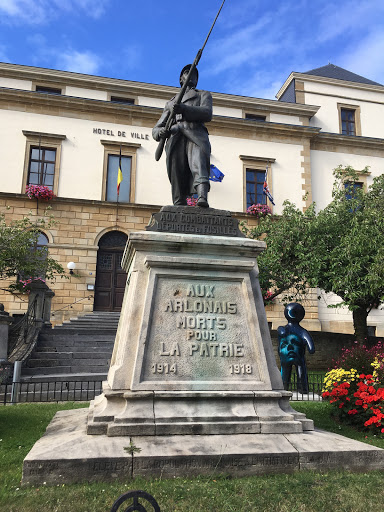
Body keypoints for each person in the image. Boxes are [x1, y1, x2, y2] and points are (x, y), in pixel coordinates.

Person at [152, 65, 212, 207]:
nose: (191, 75)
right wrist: (161, 132)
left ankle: (202, 197)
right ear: (181, 78)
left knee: (199, 165)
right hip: (175, 136)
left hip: (195, 134)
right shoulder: (171, 103)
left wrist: (184, 109)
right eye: (187, 72)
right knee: (176, 172)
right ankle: (178, 203)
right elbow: (156, 128)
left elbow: (206, 113)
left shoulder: (203, 94)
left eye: (194, 74)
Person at [277, 303, 315, 394]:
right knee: (300, 370)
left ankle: (283, 387)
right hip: (297, 355)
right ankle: (302, 389)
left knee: (286, 371)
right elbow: (311, 348)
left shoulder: (283, 329)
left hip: (286, 355)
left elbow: (280, 334)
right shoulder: (302, 332)